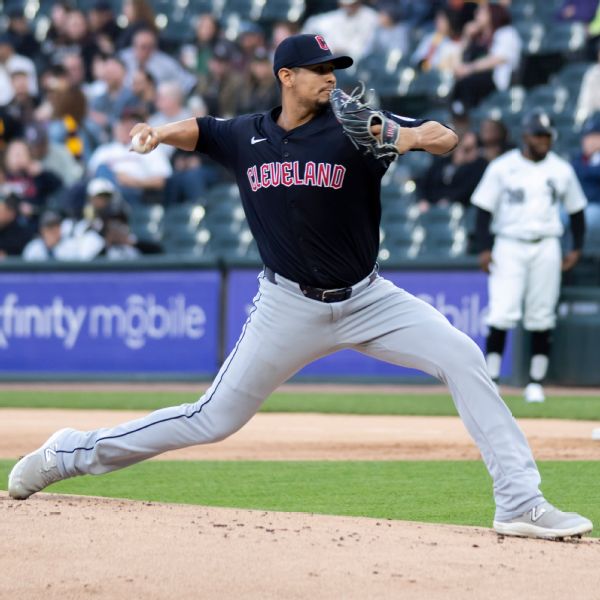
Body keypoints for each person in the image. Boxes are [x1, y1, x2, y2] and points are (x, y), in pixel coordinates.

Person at [8, 34, 593, 541]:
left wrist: (394, 133)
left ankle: (519, 502)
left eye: (334, 68)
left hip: (368, 299)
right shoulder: (248, 135)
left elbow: (444, 137)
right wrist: (157, 132)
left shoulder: (358, 129)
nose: (331, 77)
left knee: (463, 356)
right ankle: (70, 452)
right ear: (286, 77)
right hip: (286, 304)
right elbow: (202, 131)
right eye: (319, 69)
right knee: (213, 418)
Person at [472, 109, 588, 404]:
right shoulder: (502, 167)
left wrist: (576, 248)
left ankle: (536, 382)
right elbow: (483, 210)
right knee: (501, 311)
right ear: (525, 137)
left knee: (541, 313)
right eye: (538, 135)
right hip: (508, 243)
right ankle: (493, 380)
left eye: (547, 135)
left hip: (547, 243)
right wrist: (484, 248)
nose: (543, 140)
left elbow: (577, 211)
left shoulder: (560, 169)